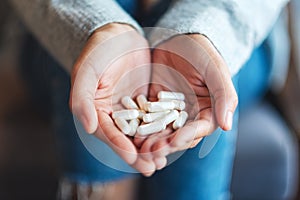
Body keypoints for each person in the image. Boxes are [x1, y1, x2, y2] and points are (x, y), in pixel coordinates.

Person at [4, 0, 291, 199]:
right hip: (54, 34)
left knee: (204, 65)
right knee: (100, 49)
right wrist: (99, 27)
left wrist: (204, 32)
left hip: (236, 34)